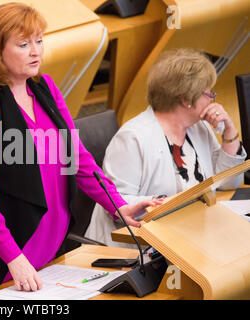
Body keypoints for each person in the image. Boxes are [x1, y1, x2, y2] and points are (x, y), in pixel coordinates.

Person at [0, 2, 162, 300]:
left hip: (49, 252)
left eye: (39, 41)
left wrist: (116, 205)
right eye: (24, 44)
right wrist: (12, 256)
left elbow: (77, 158)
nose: (36, 51)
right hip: (0, 260)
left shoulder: (45, 88)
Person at [85, 48, 247, 246]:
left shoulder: (199, 127)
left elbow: (228, 183)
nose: (213, 97)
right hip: (132, 250)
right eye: (208, 92)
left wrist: (229, 131)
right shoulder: (133, 137)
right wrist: (167, 202)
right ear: (186, 98)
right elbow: (117, 203)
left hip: (186, 235)